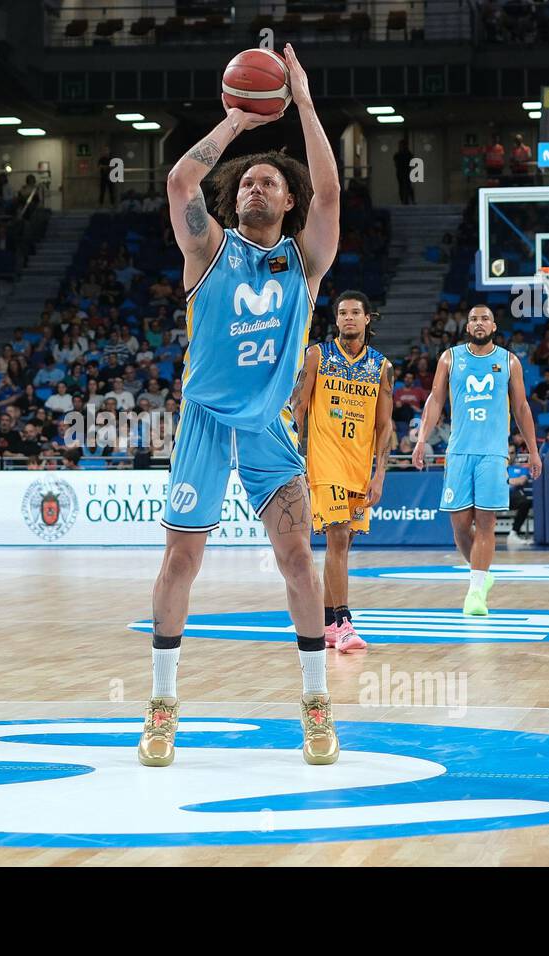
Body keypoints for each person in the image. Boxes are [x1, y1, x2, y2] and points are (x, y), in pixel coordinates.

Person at [140, 44, 341, 768]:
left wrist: (305, 104)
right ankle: (162, 707)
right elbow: (179, 178)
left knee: (298, 562)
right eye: (248, 184)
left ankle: (316, 706)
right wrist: (235, 121)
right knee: (180, 562)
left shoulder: (305, 263)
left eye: (269, 182)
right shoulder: (209, 252)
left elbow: (330, 192)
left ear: (287, 202)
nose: (256, 187)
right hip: (202, 422)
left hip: (267, 428)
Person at [413, 305, 542, 615]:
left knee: (486, 523)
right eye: (474, 319)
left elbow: (522, 408)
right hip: (458, 451)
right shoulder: (450, 357)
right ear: (467, 326)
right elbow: (435, 399)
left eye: (485, 318)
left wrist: (534, 450)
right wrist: (421, 439)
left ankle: (475, 593)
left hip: (493, 452)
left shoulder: (509, 361)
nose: (479, 323)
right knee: (459, 525)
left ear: (493, 325)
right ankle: (482, 574)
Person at [293, 291, 392, 653]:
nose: (348, 318)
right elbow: (298, 407)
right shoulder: (318, 355)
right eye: (342, 313)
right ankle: (345, 622)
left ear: (368, 319)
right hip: (324, 462)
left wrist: (379, 474)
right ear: (336, 319)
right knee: (337, 537)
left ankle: (323, 623)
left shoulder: (382, 367)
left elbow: (385, 426)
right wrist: (297, 457)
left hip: (358, 468)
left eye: (355, 312)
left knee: (344, 543)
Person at [506, 444, 533, 545]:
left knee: (525, 502)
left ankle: (513, 534)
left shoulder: (521, 468)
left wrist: (505, 480)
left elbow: (522, 481)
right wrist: (512, 481)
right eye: (507, 452)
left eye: (512, 453)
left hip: (512, 497)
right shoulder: (495, 468)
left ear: (516, 454)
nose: (509, 455)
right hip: (496, 497)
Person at [393, 139, 415, 205]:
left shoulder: (408, 154)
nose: (400, 146)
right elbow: (396, 163)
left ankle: (409, 200)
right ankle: (404, 201)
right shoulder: (397, 154)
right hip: (400, 173)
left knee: (407, 186)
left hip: (406, 172)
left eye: (401, 145)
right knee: (402, 187)